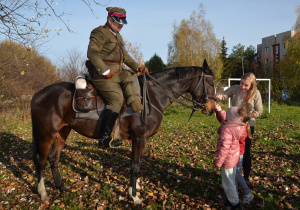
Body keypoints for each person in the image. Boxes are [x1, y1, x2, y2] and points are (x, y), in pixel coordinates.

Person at [87, 7, 149, 148]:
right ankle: (104, 138)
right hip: (101, 75)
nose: (121, 25)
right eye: (118, 22)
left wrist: (138, 67)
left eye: (122, 22)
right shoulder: (99, 32)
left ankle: (134, 111)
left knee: (132, 85)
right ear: (110, 20)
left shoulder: (117, 36)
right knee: (116, 99)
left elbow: (125, 56)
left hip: (118, 73)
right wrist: (104, 70)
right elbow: (92, 53)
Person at [216, 72, 263, 183]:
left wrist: (247, 117)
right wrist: (219, 96)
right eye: (241, 83)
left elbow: (259, 111)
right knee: (232, 150)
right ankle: (233, 175)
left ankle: (245, 177)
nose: (242, 86)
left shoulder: (256, 93)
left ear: (251, 85)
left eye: (246, 85)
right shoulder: (235, 89)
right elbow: (224, 94)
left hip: (247, 126)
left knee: (245, 152)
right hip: (233, 126)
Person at [215, 104, 254, 205]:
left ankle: (239, 198)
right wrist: (220, 111)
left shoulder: (230, 130)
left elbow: (224, 148)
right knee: (234, 178)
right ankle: (234, 197)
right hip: (235, 155)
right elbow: (228, 118)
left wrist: (218, 162)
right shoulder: (239, 126)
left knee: (234, 178)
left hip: (232, 157)